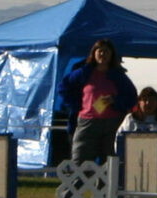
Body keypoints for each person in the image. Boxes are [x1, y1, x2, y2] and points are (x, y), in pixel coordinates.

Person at [58, 38, 137, 166]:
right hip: (87, 122)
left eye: (106, 51)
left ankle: (104, 186)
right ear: (93, 53)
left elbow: (132, 97)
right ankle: (76, 185)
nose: (103, 54)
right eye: (100, 51)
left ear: (112, 55)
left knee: (109, 161)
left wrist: (115, 101)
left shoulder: (119, 76)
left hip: (112, 123)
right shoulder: (83, 72)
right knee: (79, 159)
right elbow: (63, 88)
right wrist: (77, 105)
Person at [115, 87, 157, 164]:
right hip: (134, 163)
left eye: (152, 100)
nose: (148, 103)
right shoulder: (131, 119)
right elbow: (119, 139)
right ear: (139, 102)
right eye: (144, 100)